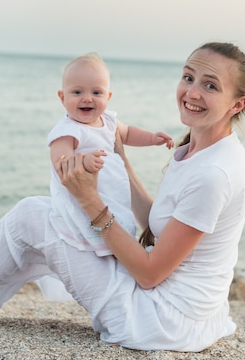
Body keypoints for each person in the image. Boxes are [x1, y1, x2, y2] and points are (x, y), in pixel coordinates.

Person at [0, 41, 245, 352]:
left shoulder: (215, 173)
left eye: (210, 86)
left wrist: (90, 201)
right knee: (44, 217)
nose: (192, 91)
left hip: (159, 319)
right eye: (188, 77)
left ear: (236, 104)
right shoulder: (197, 149)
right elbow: (157, 226)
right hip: (180, 310)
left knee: (35, 216)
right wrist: (122, 158)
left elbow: (151, 272)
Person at [48, 52, 173, 257]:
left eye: (96, 92)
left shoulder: (108, 120)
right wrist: (83, 161)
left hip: (111, 193)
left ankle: (117, 248)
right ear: (62, 97)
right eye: (77, 92)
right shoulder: (67, 130)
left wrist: (152, 138)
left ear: (108, 96)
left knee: (119, 221)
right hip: (86, 197)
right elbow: (60, 161)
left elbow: (128, 133)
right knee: (90, 230)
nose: (87, 98)